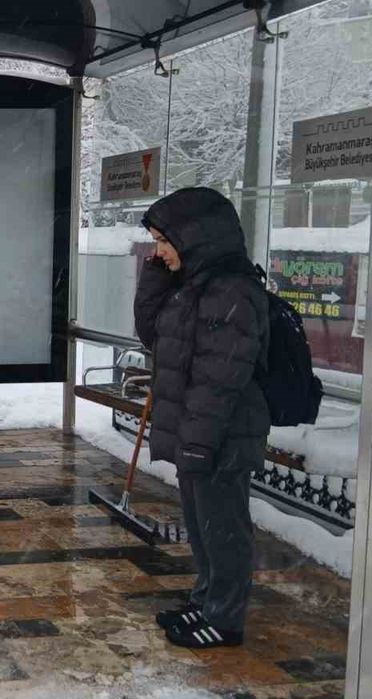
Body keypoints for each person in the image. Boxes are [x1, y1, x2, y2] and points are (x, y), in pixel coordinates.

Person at [133, 187, 270, 650]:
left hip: (222, 433)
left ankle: (225, 620)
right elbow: (154, 336)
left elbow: (220, 378)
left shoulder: (231, 290)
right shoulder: (192, 286)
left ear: (194, 236)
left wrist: (199, 441)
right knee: (202, 526)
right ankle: (206, 600)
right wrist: (157, 275)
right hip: (199, 429)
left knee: (224, 529)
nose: (159, 251)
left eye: (163, 241)